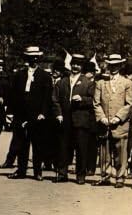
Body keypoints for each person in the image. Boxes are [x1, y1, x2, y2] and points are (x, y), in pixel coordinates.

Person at [8, 45, 54, 180]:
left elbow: (47, 97)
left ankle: (37, 171)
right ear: (27, 58)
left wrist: (43, 113)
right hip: (21, 113)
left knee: (38, 144)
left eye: (36, 57)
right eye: (31, 57)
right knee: (21, 143)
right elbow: (13, 95)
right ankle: (21, 170)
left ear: (39, 59)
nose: (33, 59)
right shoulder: (19, 75)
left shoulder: (45, 76)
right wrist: (10, 112)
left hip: (37, 114)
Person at [52, 53, 97, 184]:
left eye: (78, 64)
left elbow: (94, 100)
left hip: (81, 120)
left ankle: (81, 175)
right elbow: (54, 100)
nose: (75, 66)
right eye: (74, 64)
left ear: (82, 67)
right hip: (64, 119)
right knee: (63, 147)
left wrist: (82, 99)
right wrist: (58, 114)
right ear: (70, 65)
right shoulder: (62, 82)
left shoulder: (88, 83)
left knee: (81, 149)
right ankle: (62, 173)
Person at [94, 53, 132, 188]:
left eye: (116, 65)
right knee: (104, 151)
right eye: (111, 65)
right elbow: (96, 103)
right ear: (108, 65)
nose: (113, 67)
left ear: (120, 65)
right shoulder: (101, 83)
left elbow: (129, 103)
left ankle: (120, 177)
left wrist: (118, 117)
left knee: (120, 151)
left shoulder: (127, 83)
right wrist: (102, 117)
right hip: (105, 123)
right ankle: (105, 176)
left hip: (120, 124)